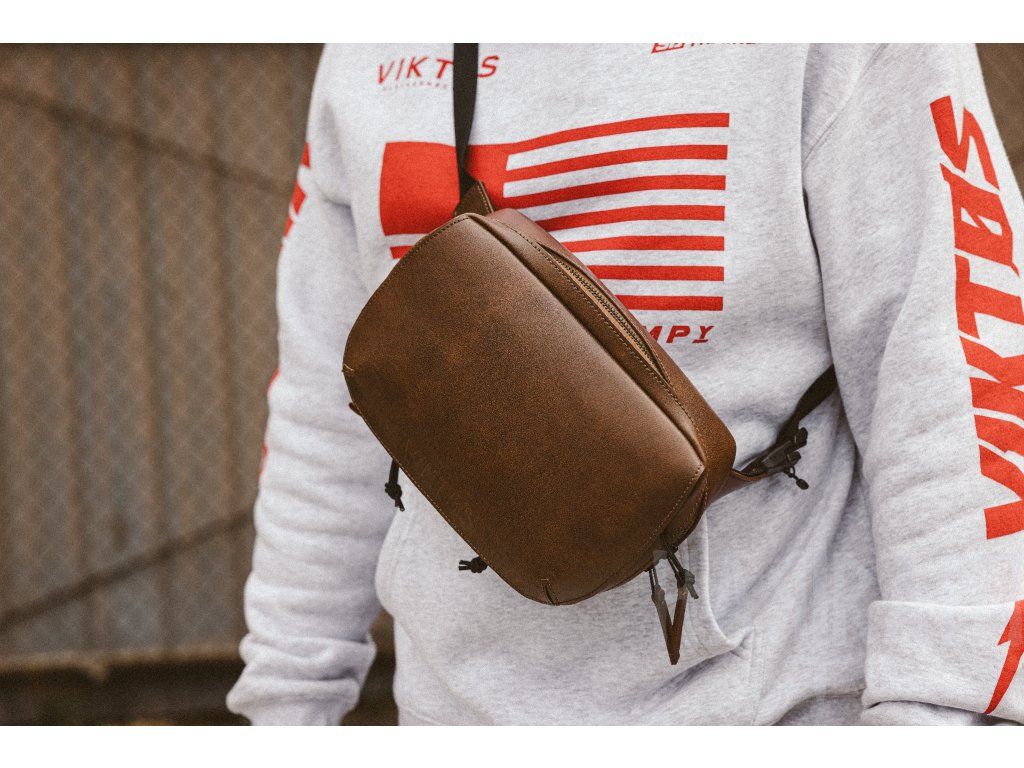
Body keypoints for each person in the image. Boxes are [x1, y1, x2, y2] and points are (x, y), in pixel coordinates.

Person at [227, 44, 1024, 725]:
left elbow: (953, 380)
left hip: (769, 714)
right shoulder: (371, 48)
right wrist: (285, 708)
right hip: (448, 716)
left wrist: (941, 716)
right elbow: (327, 413)